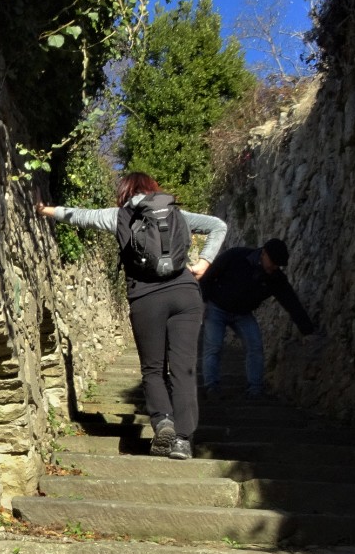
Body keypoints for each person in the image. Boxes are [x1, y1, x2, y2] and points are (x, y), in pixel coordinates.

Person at [37, 172, 227, 460]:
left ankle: (163, 421)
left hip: (146, 298)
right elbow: (218, 226)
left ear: (125, 191)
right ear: (153, 189)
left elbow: (80, 216)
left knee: (153, 369)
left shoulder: (118, 215)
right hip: (185, 294)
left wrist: (46, 210)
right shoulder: (175, 212)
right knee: (183, 369)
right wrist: (203, 263)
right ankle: (183, 440)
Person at [199, 239, 319, 399]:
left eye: (278, 265)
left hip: (243, 313)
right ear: (263, 253)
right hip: (217, 308)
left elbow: (291, 302)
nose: (274, 267)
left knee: (255, 346)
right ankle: (211, 387)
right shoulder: (236, 256)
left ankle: (255, 389)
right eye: (273, 263)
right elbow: (208, 277)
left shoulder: (275, 278)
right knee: (213, 347)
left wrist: (307, 330)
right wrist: (201, 302)